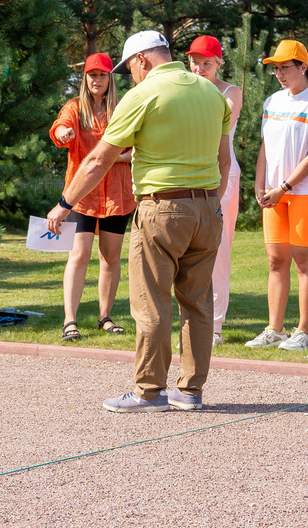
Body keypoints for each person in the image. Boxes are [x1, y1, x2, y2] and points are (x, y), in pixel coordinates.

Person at [62, 29, 234, 413]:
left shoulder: (143, 95)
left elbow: (98, 160)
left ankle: (149, 392)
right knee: (198, 304)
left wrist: (64, 202)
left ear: (142, 59)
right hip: (207, 209)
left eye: (129, 69)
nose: (130, 77)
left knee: (151, 303)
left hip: (161, 208)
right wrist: (213, 202)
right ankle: (190, 391)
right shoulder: (212, 93)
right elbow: (224, 159)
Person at [242, 40, 308, 350]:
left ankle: (304, 333)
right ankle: (274, 329)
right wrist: (260, 182)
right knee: (275, 260)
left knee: (304, 262)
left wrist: (284, 188)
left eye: (285, 67)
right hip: (273, 194)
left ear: (304, 67)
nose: (280, 73)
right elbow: (265, 146)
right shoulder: (272, 101)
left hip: (304, 192)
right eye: (276, 69)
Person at [44, 52, 134, 339]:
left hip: (117, 195)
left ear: (110, 79)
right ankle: (70, 320)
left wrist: (111, 160)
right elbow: (59, 127)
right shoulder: (74, 107)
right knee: (79, 254)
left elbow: (136, 150)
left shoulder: (121, 109)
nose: (97, 80)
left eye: (103, 75)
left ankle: (105, 317)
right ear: (85, 78)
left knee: (111, 257)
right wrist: (64, 132)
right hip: (81, 195)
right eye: (92, 75)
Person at [184, 35, 245, 342]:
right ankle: (192, 321)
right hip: (190, 174)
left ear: (219, 63)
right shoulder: (184, 88)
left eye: (207, 63)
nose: (200, 68)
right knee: (188, 251)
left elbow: (216, 125)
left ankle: (216, 325)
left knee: (218, 249)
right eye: (195, 62)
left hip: (222, 174)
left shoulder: (230, 92)